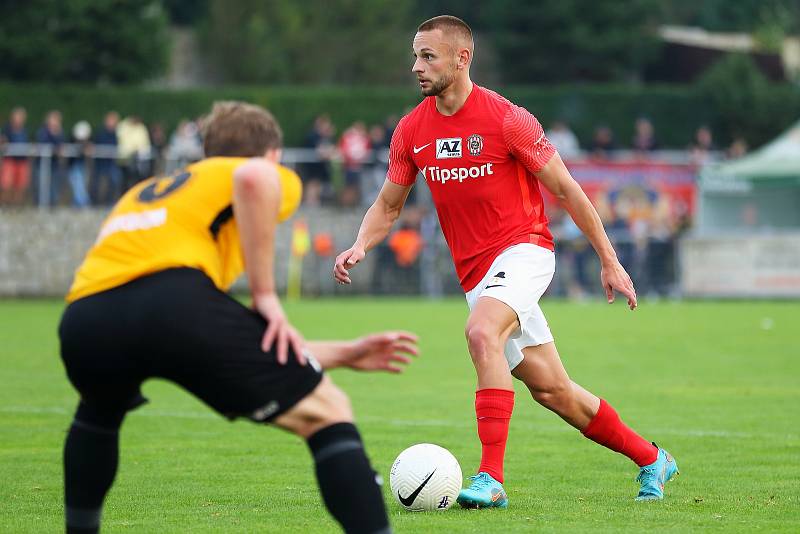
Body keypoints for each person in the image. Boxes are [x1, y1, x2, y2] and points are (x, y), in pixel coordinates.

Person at [334, 15, 678, 509]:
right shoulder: (411, 131)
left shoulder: (506, 118)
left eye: (428, 56)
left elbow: (566, 189)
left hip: (525, 250)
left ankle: (491, 478)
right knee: (554, 390)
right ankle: (651, 459)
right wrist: (360, 244)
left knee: (480, 332)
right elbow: (389, 205)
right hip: (478, 276)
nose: (417, 66)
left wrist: (609, 259)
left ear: (462, 58)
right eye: (415, 56)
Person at [59, 101, 415, 534]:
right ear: (273, 154)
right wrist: (264, 295)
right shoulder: (254, 169)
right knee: (328, 410)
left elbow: (193, 333)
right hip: (174, 301)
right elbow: (253, 177)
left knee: (98, 410)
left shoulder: (150, 190)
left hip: (85, 317)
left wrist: (342, 352)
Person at [1, 106, 31, 206]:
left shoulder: (25, 130)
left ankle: (15, 206)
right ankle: (4, 205)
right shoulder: (6, 129)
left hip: (22, 161)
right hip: (10, 160)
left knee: (20, 186)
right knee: (6, 185)